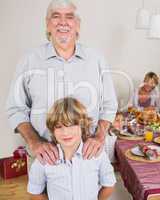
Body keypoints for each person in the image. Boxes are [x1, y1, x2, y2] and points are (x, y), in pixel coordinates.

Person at [6, 0, 118, 165]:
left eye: (69, 17)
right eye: (56, 16)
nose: (63, 22)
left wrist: (99, 137)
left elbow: (109, 106)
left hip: (88, 158)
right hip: (45, 159)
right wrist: (35, 142)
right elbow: (16, 109)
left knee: (98, 192)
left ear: (77, 25)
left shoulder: (96, 59)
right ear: (47, 24)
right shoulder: (29, 60)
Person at [28, 97, 116, 200]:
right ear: (53, 130)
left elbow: (109, 185)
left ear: (82, 126)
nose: (65, 132)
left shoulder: (97, 154)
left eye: (71, 125)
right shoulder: (44, 159)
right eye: (59, 126)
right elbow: (34, 192)